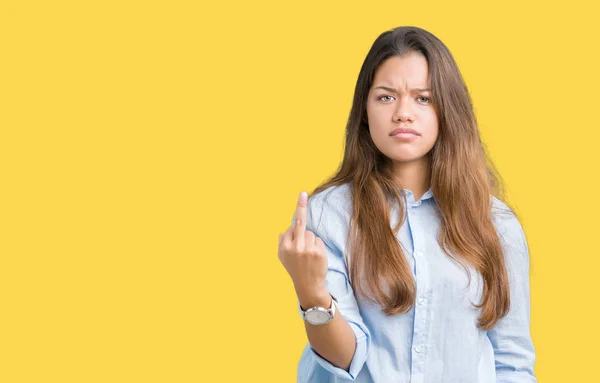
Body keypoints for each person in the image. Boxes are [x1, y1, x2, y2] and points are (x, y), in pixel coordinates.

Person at [277, 26, 536, 382]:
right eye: (386, 97)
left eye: (423, 98)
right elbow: (342, 360)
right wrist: (310, 293)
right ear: (365, 111)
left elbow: (513, 363)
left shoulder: (496, 224)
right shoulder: (329, 215)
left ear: (447, 109)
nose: (403, 113)